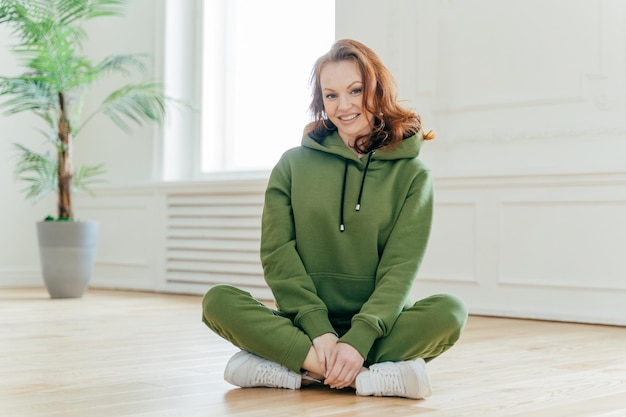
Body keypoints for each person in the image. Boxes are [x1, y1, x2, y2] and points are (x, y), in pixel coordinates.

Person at [202, 38, 468, 399]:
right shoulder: (292, 165)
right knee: (218, 301)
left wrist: (359, 338)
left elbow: (399, 268)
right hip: (304, 322)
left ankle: (301, 369)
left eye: (355, 90)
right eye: (331, 95)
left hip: (378, 326)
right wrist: (318, 329)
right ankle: (368, 375)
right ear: (320, 100)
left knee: (450, 313)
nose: (343, 106)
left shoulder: (412, 174)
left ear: (377, 90)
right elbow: (278, 254)